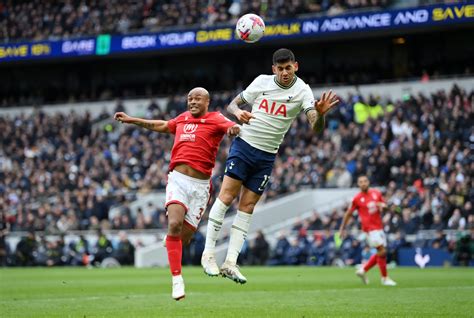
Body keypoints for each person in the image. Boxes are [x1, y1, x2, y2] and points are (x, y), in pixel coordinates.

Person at [201, 48, 339, 283]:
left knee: (247, 207)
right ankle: (208, 255)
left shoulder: (303, 90)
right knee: (226, 197)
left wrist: (320, 114)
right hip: (244, 145)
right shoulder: (262, 82)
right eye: (280, 68)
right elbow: (232, 105)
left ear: (296, 66)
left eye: (288, 68)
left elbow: (316, 127)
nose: (285, 72)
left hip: (267, 157)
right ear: (274, 69)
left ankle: (231, 262)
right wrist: (238, 113)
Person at [114, 87, 239, 300]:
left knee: (185, 238)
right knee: (174, 225)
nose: (192, 102)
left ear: (207, 101)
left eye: (197, 98)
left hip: (200, 187)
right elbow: (162, 125)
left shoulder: (215, 118)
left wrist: (234, 128)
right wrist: (132, 120)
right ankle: (177, 280)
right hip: (178, 180)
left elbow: (232, 125)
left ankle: (172, 239)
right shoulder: (182, 118)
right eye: (190, 99)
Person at [339, 175, 397, 286]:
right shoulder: (357, 198)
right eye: (361, 182)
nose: (363, 183)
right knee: (382, 251)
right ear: (358, 184)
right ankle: (384, 278)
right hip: (369, 229)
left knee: (381, 252)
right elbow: (348, 214)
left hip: (379, 227)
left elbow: (384, 207)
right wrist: (342, 228)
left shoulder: (376, 193)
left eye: (365, 181)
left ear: (368, 182)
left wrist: (384, 206)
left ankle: (363, 270)